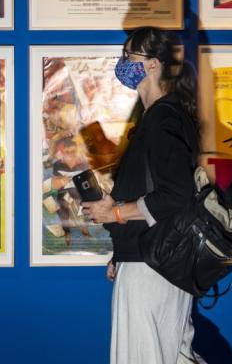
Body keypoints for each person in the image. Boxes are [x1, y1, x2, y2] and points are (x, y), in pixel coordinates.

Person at [81, 27, 202, 364]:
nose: (122, 63)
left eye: (128, 56)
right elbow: (157, 193)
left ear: (152, 65)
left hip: (152, 266)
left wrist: (116, 213)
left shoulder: (163, 118)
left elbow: (176, 196)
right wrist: (122, 247)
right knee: (173, 354)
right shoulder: (160, 116)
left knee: (142, 356)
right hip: (153, 260)